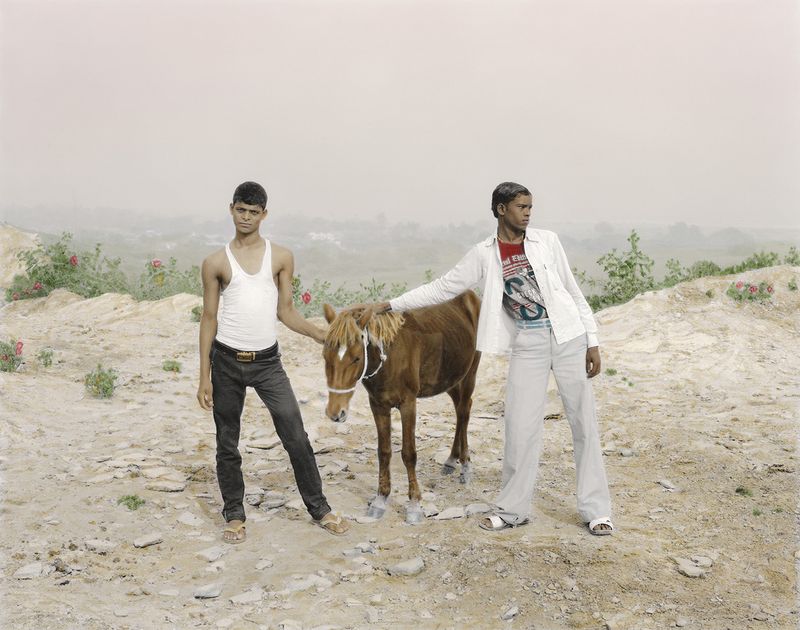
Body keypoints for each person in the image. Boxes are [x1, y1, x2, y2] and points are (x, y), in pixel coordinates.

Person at [363, 182, 613, 535]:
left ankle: (597, 511)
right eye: (521, 207)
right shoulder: (483, 254)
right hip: (528, 341)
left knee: (583, 423)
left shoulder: (548, 242)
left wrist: (593, 340)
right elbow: (442, 286)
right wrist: (389, 305)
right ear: (500, 209)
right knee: (519, 426)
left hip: (568, 336)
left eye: (530, 207)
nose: (528, 213)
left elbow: (572, 291)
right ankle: (513, 509)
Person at [197, 181, 350, 543]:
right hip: (226, 361)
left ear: (264, 214)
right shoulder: (215, 262)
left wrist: (318, 334)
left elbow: (286, 311)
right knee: (227, 441)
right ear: (231, 209)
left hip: (267, 363)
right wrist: (204, 376)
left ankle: (320, 508)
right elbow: (208, 318)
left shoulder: (280, 256)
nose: (246, 217)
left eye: (254, 212)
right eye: (241, 210)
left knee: (295, 434)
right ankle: (234, 514)